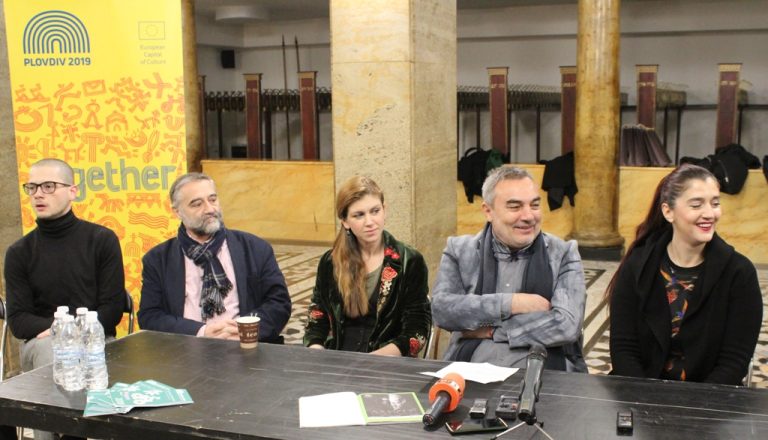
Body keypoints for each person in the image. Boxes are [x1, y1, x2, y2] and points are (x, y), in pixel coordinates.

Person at [607, 164, 762, 385]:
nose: (709, 214)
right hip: (638, 392)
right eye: (696, 205)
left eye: (715, 203)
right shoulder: (638, 265)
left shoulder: (739, 273)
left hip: (710, 397)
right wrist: (643, 397)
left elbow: (734, 361)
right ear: (668, 212)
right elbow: (623, 349)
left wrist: (696, 403)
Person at [4, 158, 125, 440]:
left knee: (70, 353)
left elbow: (112, 310)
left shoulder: (101, 239)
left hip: (98, 343)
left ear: (73, 191)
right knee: (52, 351)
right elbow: (19, 321)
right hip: (41, 346)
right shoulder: (19, 252)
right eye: (32, 187)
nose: (38, 194)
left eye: (48, 186)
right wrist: (62, 334)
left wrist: (73, 333)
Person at [431, 166, 586, 371]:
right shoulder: (459, 250)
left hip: (544, 371)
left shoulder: (564, 253)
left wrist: (493, 331)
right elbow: (442, 310)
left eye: (535, 205)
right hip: (469, 367)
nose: (528, 216)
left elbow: (566, 324)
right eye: (515, 206)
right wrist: (511, 303)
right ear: (488, 211)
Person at [138, 172, 291, 343]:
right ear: (177, 212)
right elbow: (150, 316)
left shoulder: (255, 248)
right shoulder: (158, 259)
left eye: (213, 199)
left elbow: (279, 303)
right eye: (197, 204)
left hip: (245, 346)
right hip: (186, 348)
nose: (210, 209)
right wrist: (201, 332)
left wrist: (245, 329)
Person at [303, 176, 431, 357]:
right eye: (359, 215)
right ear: (345, 221)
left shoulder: (410, 261)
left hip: (387, 362)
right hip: (337, 359)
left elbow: (417, 331)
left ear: (384, 210)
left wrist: (371, 361)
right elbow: (317, 316)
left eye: (375, 211)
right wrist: (317, 350)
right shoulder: (330, 262)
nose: (369, 222)